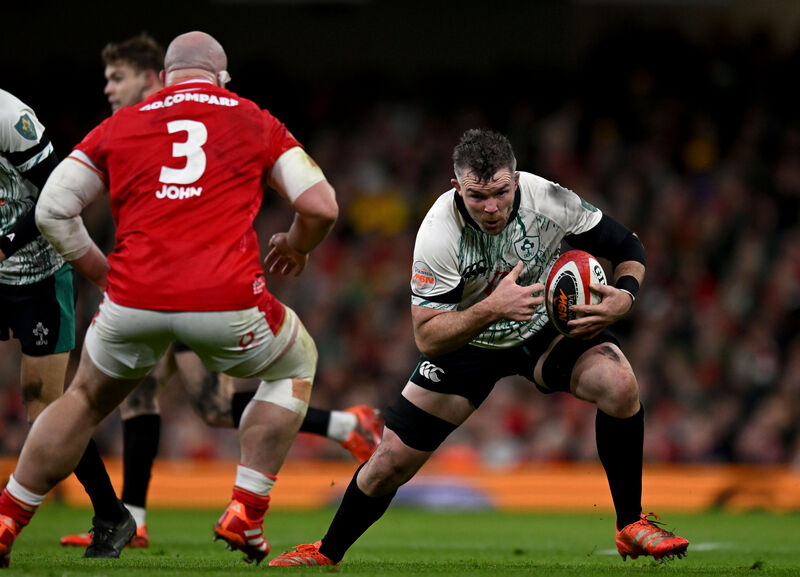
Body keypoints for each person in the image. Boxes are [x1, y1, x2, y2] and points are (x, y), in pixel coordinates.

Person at [268, 129, 690, 567]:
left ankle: (631, 524)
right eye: (477, 196)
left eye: (501, 193)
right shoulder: (438, 232)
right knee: (389, 462)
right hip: (468, 340)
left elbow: (626, 245)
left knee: (619, 383)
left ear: (516, 181)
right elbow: (427, 337)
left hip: (542, 325)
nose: (491, 207)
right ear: (457, 187)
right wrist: (492, 307)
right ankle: (326, 552)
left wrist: (626, 295)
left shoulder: (548, 198)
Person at [0, 30, 340, 568]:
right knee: (297, 363)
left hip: (133, 300)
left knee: (82, 400)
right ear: (222, 79)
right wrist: (296, 247)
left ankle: (7, 517)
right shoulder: (252, 118)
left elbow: (52, 211)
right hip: (227, 300)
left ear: (163, 78)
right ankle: (247, 508)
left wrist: (103, 274)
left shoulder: (122, 123)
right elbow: (321, 206)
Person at [0, 88, 139, 559]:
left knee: (45, 405)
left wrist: (5, 244)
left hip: (38, 275)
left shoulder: (10, 117)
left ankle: (111, 515)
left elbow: (54, 196)